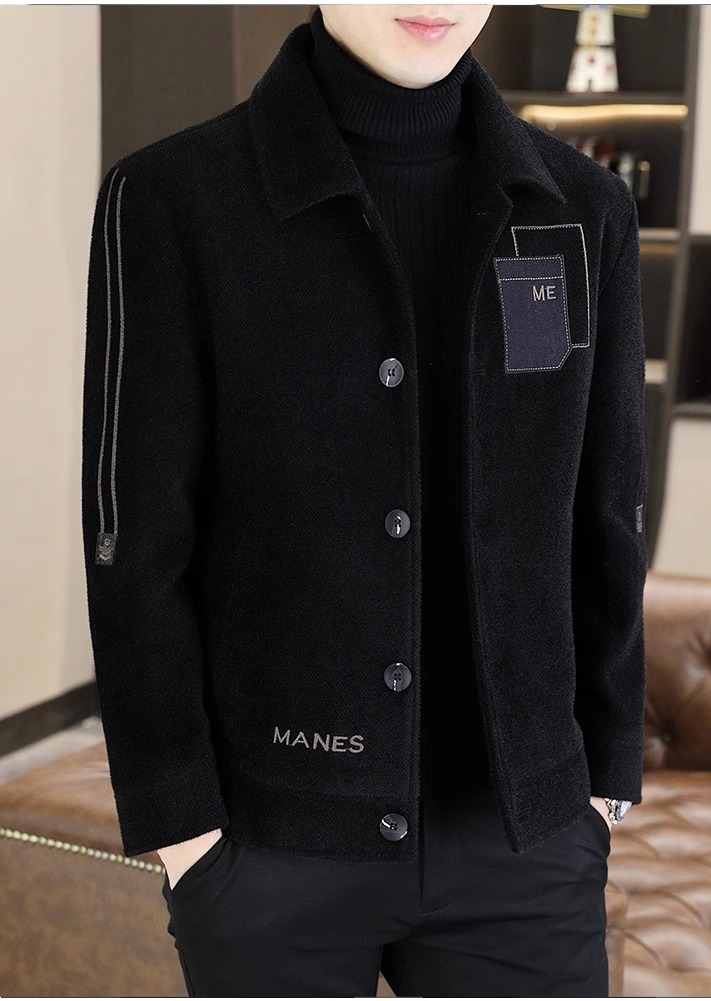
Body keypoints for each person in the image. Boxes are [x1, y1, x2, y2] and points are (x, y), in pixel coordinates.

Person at [80, 5, 648, 997]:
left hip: (529, 841)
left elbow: (607, 509)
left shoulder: (585, 207)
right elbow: (135, 540)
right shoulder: (171, 198)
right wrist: (182, 826)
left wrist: (602, 782)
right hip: (268, 842)